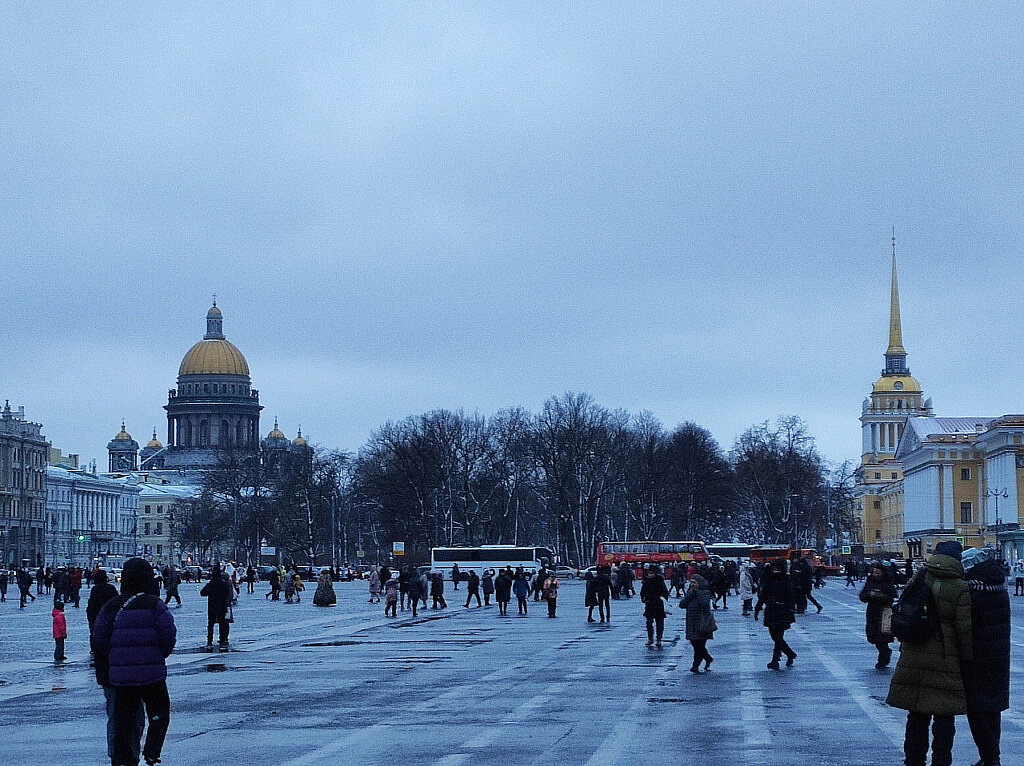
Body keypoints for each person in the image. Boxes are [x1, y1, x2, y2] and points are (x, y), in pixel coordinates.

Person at [886, 540, 972, 766]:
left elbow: (905, 605)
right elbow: (963, 628)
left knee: (916, 713)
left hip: (914, 649)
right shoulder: (960, 586)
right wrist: (966, 658)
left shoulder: (921, 576)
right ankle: (941, 760)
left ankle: (914, 760)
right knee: (944, 714)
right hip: (946, 654)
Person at [91, 557, 176, 766]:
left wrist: (116, 657)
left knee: (123, 719)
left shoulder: (112, 606)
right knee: (159, 714)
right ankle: (152, 750)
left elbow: (99, 637)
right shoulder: (155, 605)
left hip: (122, 676)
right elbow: (168, 636)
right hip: (151, 675)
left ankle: (122, 758)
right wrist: (158, 656)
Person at [961, 547, 1010, 766]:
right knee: (993, 709)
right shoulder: (999, 587)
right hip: (999, 657)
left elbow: (967, 626)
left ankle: (991, 758)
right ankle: (991, 757)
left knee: (977, 709)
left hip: (978, 657)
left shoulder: (973, 591)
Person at [754, 560, 797, 669]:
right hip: (771, 610)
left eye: (777, 569)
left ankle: (775, 659)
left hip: (783, 610)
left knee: (778, 637)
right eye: (774, 569)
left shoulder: (786, 580)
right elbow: (763, 596)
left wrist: (791, 609)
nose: (775, 571)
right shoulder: (769, 581)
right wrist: (757, 608)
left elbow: (791, 596)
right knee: (774, 636)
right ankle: (789, 653)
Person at [859, 562, 897, 669]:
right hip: (872, 612)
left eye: (877, 572)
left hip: (884, 612)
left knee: (882, 637)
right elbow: (862, 597)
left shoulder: (888, 583)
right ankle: (884, 654)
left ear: (882, 573)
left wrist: (881, 596)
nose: (875, 574)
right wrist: (869, 595)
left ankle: (883, 660)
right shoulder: (869, 582)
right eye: (874, 572)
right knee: (872, 637)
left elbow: (891, 598)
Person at [680, 574, 715, 672]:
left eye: (694, 582)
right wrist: (691, 594)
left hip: (702, 623)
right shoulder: (690, 593)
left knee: (699, 646)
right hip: (691, 623)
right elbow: (682, 605)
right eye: (691, 582)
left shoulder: (705, 593)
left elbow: (703, 603)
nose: (692, 585)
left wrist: (697, 593)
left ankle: (695, 665)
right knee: (695, 644)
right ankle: (708, 658)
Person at [200, 565, 232, 651]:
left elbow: (202, 593)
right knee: (222, 624)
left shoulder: (211, 583)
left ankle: (209, 641)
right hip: (222, 606)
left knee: (211, 624)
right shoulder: (223, 584)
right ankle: (222, 640)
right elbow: (227, 593)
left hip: (212, 606)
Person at [640, 565, 669, 647]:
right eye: (649, 573)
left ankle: (659, 639)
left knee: (659, 623)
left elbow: (665, 591)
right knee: (649, 622)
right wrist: (643, 598)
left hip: (658, 604)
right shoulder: (646, 582)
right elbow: (642, 592)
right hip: (649, 604)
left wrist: (663, 598)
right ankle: (650, 638)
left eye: (652, 573)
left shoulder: (660, 581)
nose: (650, 575)